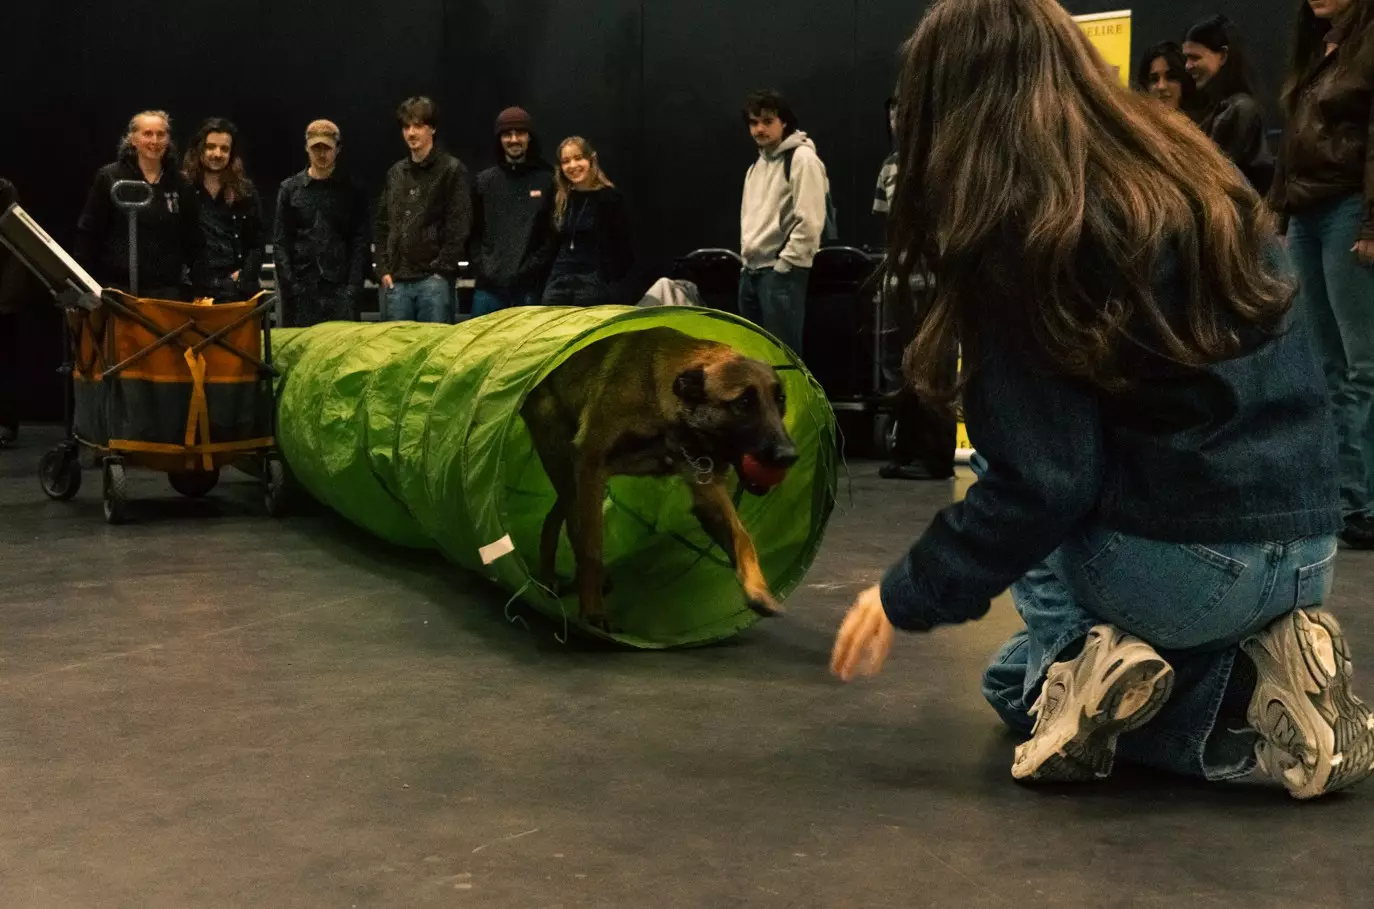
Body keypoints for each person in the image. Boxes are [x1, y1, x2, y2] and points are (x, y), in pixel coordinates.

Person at [830, 0, 1373, 802]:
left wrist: (906, 590)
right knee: (1020, 660)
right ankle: (1266, 672)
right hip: (1306, 547)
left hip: (1186, 570)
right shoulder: (1186, 161)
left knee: (1018, 679)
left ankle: (1126, 679)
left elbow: (1042, 485)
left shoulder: (1025, 220)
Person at [1268, 0, 1374, 550]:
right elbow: (1293, 141)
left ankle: (1362, 502)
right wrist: (1281, 212)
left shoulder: (1367, 41)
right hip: (1308, 213)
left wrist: (1372, 221)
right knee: (1327, 364)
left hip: (1350, 209)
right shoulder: (1320, 49)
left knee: (1363, 366)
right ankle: (1344, 497)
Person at [872, 96, 955, 481]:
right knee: (900, 368)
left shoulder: (941, 162)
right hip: (898, 281)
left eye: (904, 112)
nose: (896, 120)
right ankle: (904, 451)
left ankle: (935, 457)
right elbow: (886, 227)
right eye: (891, 114)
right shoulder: (889, 167)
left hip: (933, 282)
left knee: (932, 368)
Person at [738, 90, 829, 355]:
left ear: (784, 122)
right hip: (752, 272)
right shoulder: (755, 167)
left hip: (780, 275)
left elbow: (811, 221)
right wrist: (747, 264)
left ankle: (794, 399)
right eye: (754, 123)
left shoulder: (802, 159)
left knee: (784, 361)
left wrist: (785, 264)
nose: (759, 129)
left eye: (767, 121)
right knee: (754, 361)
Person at [75, 110, 201, 299]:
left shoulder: (181, 183)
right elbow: (89, 232)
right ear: (133, 139)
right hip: (117, 290)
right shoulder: (110, 177)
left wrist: (200, 288)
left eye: (161, 134)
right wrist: (86, 284)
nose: (155, 140)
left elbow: (194, 240)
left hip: (167, 292)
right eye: (147, 133)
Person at [375, 96, 471, 324]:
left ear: (433, 128)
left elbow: (459, 224)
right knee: (397, 354)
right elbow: (381, 224)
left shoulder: (451, 170)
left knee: (434, 354)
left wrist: (441, 270)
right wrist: (382, 269)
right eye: (406, 126)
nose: (411, 133)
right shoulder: (395, 173)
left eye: (418, 125)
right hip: (397, 281)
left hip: (433, 282)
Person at [272, 120, 370, 327]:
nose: (321, 153)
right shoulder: (289, 189)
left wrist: (353, 287)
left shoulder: (352, 190)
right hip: (302, 290)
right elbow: (281, 242)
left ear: (338, 149)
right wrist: (291, 286)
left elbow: (360, 241)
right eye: (316, 147)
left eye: (327, 148)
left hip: (341, 289)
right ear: (306, 147)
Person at [471, 106, 556, 316]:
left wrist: (528, 272)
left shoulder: (547, 181)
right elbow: (472, 233)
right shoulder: (484, 182)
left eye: (520, 133)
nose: (514, 139)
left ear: (530, 138)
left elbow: (551, 237)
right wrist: (484, 269)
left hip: (529, 290)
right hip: (488, 290)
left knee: (530, 349)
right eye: (507, 134)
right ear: (500, 139)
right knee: (481, 348)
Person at [539, 136, 634, 307]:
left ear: (591, 159)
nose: (573, 166)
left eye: (578, 158)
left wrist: (609, 280)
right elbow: (551, 243)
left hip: (594, 280)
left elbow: (624, 248)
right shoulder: (560, 198)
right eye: (566, 161)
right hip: (559, 280)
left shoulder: (610, 198)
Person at [1183, 15, 1274, 192]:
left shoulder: (1240, 109)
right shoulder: (1220, 109)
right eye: (1186, 58)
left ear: (1223, 55)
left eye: (1195, 57)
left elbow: (1218, 179)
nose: (1187, 66)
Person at [183, 118, 262, 303]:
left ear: (232, 154)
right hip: (193, 290)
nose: (217, 154)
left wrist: (245, 277)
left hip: (235, 289)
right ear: (199, 149)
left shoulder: (246, 191)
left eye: (224, 149)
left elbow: (256, 242)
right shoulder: (182, 188)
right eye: (210, 147)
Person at [0, 178, 30, 448]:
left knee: (5, 360)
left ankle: (5, 423)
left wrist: (7, 300)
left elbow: (15, 246)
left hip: (2, 295)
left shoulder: (4, 191)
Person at [1134, 40, 1202, 117]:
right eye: (1154, 79)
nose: (1161, 86)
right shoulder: (1135, 124)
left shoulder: (1208, 125)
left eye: (1171, 77)